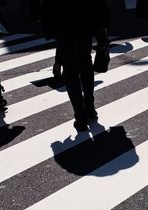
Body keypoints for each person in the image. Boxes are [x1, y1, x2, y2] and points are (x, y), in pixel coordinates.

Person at [41, 0, 106, 132]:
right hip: (85, 19)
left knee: (70, 70)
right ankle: (89, 107)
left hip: (62, 22)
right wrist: (102, 31)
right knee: (85, 63)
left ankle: (80, 115)